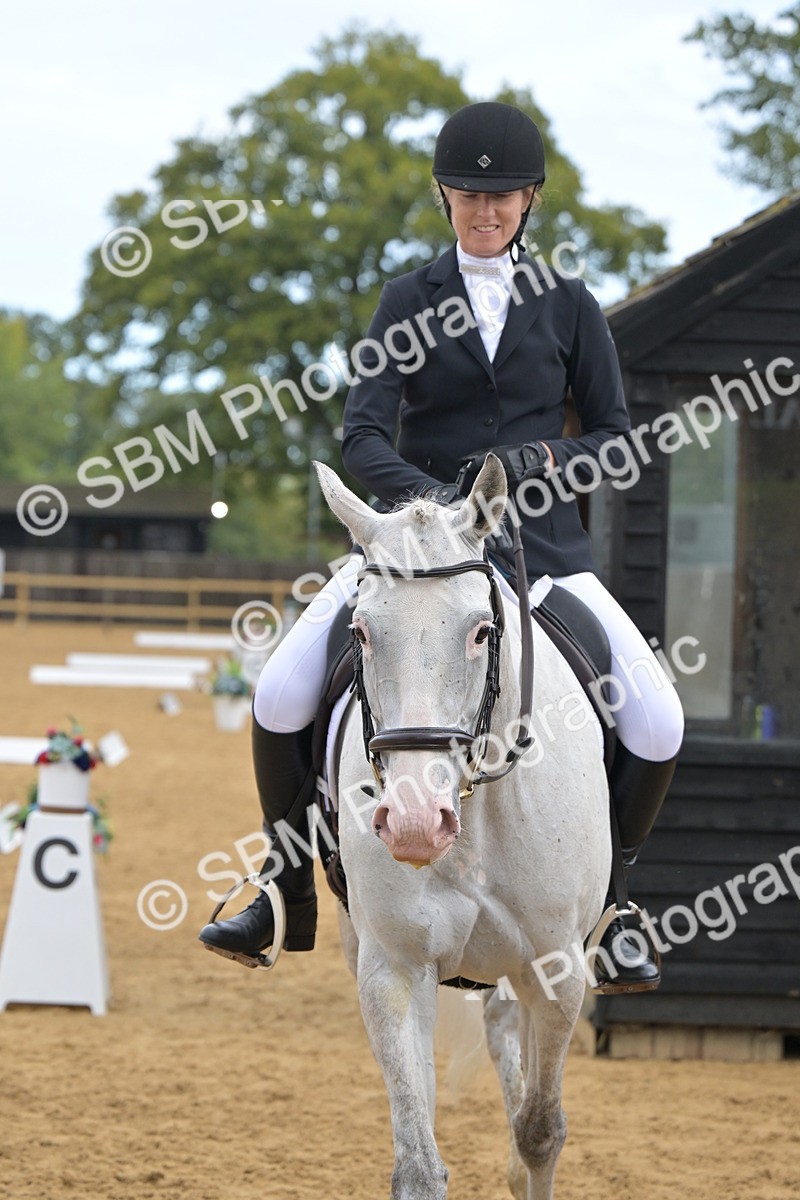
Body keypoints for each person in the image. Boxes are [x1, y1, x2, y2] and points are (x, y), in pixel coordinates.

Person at [199, 100, 684, 993]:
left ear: (530, 199)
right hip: (415, 551)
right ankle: (286, 890)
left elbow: (614, 439)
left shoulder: (571, 305)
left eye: (502, 198)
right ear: (444, 196)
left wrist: (535, 459)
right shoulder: (405, 301)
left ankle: (614, 907)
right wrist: (431, 513)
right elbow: (362, 438)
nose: (485, 212)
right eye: (468, 195)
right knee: (278, 692)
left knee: (658, 720)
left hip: (542, 554)